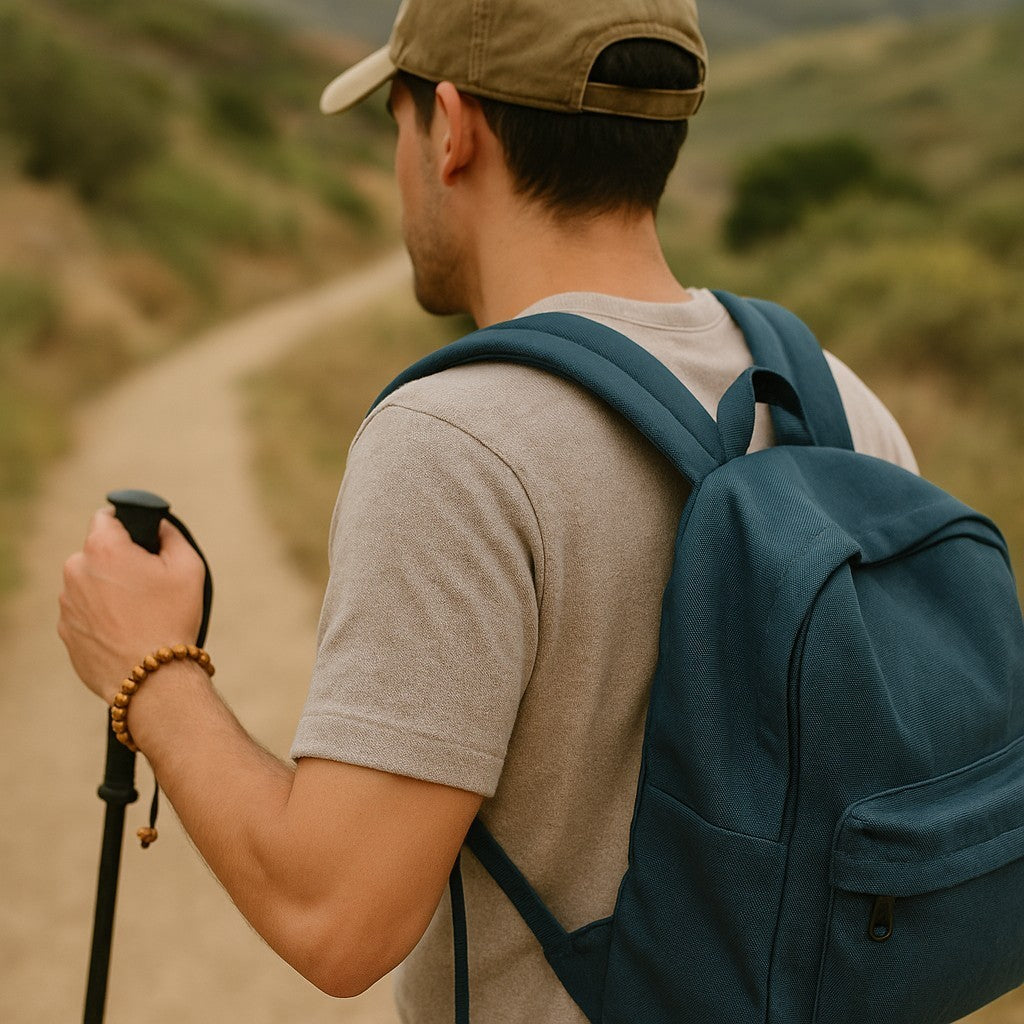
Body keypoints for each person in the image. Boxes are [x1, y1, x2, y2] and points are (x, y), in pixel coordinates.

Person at [58, 1, 918, 1022]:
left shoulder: (456, 440)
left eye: (397, 121)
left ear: (452, 129)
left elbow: (337, 916)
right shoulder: (833, 397)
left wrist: (148, 669)